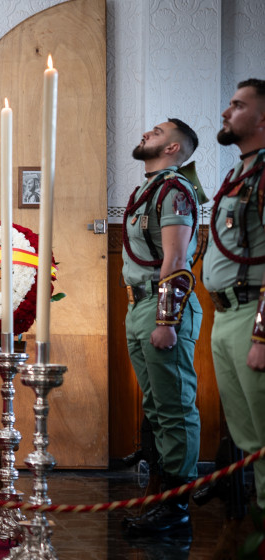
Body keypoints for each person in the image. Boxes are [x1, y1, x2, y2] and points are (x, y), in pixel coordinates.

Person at [119, 118, 202, 537]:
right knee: (156, 406)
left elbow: (176, 261)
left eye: (157, 132)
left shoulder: (174, 191)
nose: (147, 133)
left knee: (174, 408)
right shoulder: (145, 192)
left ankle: (176, 506)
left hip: (163, 306)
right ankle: (160, 496)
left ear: (173, 149)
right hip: (140, 304)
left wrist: (166, 320)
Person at [203, 78, 265, 516]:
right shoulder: (238, 174)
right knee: (248, 437)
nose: (226, 113)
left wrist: (262, 334)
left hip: (252, 316)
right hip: (224, 315)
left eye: (238, 106)